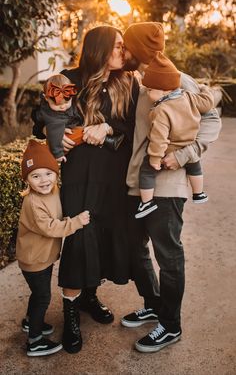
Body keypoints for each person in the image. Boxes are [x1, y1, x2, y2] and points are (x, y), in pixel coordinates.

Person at [32, 25, 139, 354]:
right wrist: (57, 134)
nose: (123, 52)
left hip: (113, 176)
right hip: (79, 175)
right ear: (100, 48)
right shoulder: (67, 79)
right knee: (80, 237)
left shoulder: (127, 83)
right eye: (118, 46)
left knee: (105, 235)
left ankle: (90, 297)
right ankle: (70, 313)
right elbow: (41, 118)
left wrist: (106, 127)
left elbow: (134, 126)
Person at [120, 22, 221, 352]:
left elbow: (212, 120)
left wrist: (184, 155)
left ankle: (171, 325)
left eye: (127, 47)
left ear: (140, 50)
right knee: (135, 250)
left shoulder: (178, 79)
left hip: (168, 186)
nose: (123, 52)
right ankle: (155, 303)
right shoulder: (139, 80)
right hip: (139, 184)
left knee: (169, 256)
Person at [16, 140, 90, 357]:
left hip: (43, 257)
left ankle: (30, 322)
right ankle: (35, 341)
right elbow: (50, 227)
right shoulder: (33, 202)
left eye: (47, 173)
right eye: (35, 176)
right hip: (34, 260)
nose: (43, 180)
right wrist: (76, 222)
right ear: (27, 180)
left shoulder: (53, 191)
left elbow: (57, 211)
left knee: (38, 294)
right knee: (42, 297)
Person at [135, 51, 214, 219]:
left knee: (146, 170)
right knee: (195, 165)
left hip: (169, 148)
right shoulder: (188, 96)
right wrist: (204, 88)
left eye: (150, 89)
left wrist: (155, 158)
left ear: (163, 90)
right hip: (188, 144)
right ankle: (198, 193)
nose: (147, 92)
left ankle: (146, 203)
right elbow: (207, 103)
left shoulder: (161, 110)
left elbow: (159, 138)